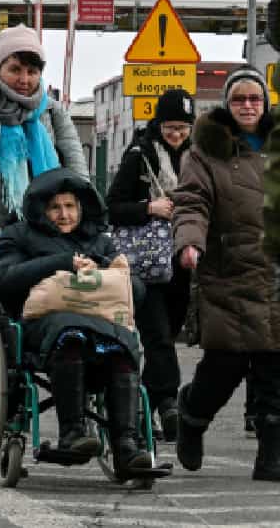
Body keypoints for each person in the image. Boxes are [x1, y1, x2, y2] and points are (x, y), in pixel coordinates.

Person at [0, 168, 152, 478]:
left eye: (70, 206)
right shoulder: (18, 236)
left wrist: (104, 269)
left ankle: (127, 446)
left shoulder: (101, 242)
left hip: (103, 326)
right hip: (44, 326)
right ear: (41, 210)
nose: (64, 214)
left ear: (82, 207)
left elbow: (136, 294)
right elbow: (1, 281)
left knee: (122, 346)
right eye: (55, 207)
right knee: (71, 334)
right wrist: (61, 264)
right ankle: (72, 433)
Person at [173, 67, 280, 481]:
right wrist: (190, 241)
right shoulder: (205, 152)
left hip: (274, 272)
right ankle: (192, 417)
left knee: (274, 367)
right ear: (227, 104)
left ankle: (272, 456)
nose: (248, 106)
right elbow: (192, 201)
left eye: (255, 99)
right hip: (228, 272)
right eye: (239, 100)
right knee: (225, 366)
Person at [0, 25, 87, 331]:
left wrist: (76, 218)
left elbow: (77, 177)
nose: (24, 80)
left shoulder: (52, 112)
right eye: (15, 69)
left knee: (37, 329)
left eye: (32, 71)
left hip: (39, 241)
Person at [105, 88, 195, 442]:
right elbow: (112, 207)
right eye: (170, 127)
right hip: (146, 264)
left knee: (168, 335)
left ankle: (147, 403)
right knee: (157, 336)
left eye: (183, 129)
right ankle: (169, 403)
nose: (176, 135)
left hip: (181, 262)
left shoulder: (197, 157)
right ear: (158, 124)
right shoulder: (139, 155)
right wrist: (149, 208)